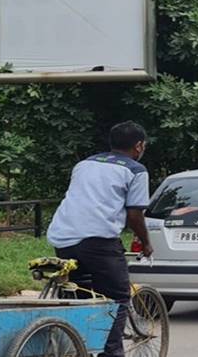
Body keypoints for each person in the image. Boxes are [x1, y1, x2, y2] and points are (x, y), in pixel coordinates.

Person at [47, 121, 153, 357]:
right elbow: (135, 215)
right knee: (118, 297)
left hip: (62, 237)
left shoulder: (84, 164)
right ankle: (110, 352)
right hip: (98, 240)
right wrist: (146, 243)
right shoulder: (135, 170)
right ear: (139, 146)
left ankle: (78, 346)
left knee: (80, 296)